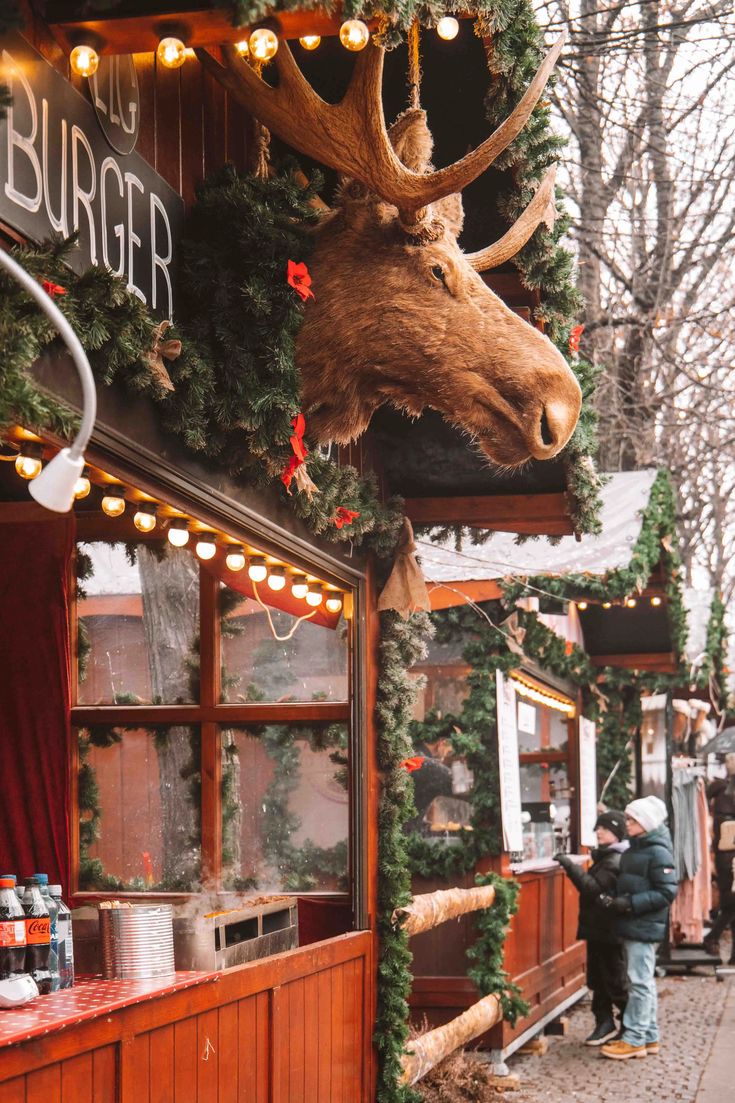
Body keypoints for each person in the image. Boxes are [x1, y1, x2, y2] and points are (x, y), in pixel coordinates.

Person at [598, 795, 677, 1061]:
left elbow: (666, 892)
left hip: (643, 925)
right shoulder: (637, 848)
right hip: (634, 923)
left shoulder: (657, 851)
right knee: (641, 980)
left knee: (639, 982)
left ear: (646, 822)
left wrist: (629, 903)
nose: (626, 823)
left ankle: (633, 1038)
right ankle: (649, 1036)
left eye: (632, 819)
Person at [555, 810, 629, 1045]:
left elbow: (593, 889)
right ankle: (605, 1023)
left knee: (614, 979)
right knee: (599, 978)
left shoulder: (614, 860)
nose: (599, 832)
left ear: (616, 834)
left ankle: (629, 1026)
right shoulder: (607, 857)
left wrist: (569, 865)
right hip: (600, 930)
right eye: (598, 828)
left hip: (609, 931)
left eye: (605, 829)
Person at [704, 753, 735, 961]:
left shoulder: (721, 789)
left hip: (726, 856)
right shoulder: (726, 791)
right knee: (730, 904)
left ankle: (730, 952)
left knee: (730, 904)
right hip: (729, 857)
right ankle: (712, 937)